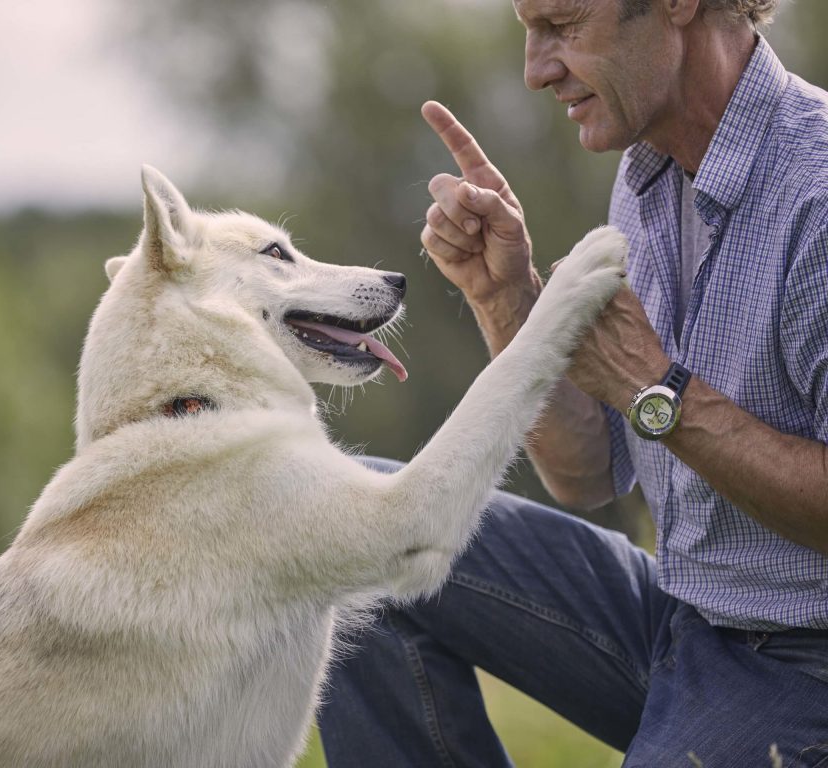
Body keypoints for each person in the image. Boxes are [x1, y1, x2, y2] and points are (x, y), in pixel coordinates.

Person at [317, 0, 828, 765]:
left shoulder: (816, 194)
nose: (535, 70)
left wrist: (654, 388)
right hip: (683, 612)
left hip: (804, 659)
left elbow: (648, 396)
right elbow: (584, 473)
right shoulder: (649, 167)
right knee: (354, 533)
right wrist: (508, 299)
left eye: (561, 27)